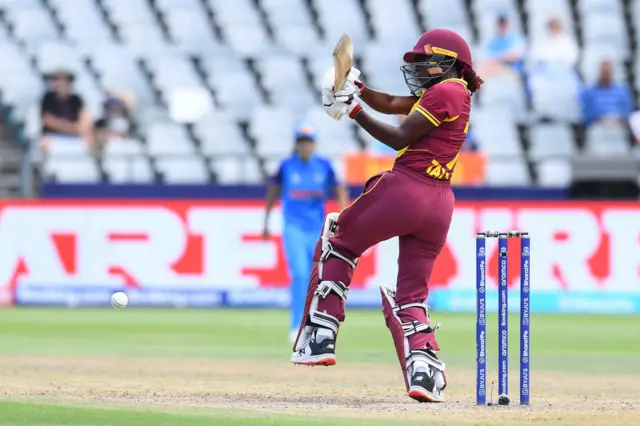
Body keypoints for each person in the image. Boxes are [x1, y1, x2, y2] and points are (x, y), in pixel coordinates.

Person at [289, 29, 483, 404]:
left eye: (426, 61)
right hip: (439, 204)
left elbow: (399, 138)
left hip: (407, 188)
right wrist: (356, 88)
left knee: (338, 239)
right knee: (412, 295)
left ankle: (321, 334)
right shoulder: (453, 93)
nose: (419, 67)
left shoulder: (447, 90)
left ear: (449, 61)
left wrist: (354, 109)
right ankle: (425, 374)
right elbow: (394, 102)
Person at [262, 124, 348, 343]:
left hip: (317, 229)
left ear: (314, 144)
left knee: (319, 278)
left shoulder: (324, 166)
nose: (305, 146)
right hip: (293, 228)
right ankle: (296, 325)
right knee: (300, 275)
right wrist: (266, 220)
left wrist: (344, 216)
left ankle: (317, 323)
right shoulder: (286, 166)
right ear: (296, 144)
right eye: (301, 142)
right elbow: (273, 190)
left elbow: (339, 189)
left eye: (308, 142)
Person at [39, 68, 93, 149]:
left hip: (75, 136)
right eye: (57, 80)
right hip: (53, 135)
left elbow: (84, 117)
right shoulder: (48, 98)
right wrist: (72, 128)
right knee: (43, 143)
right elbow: (48, 120)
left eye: (64, 80)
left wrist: (82, 128)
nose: (60, 83)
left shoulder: (76, 99)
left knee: (88, 140)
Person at [581, 60, 634, 127]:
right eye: (603, 72)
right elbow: (585, 114)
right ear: (599, 72)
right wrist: (599, 118)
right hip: (596, 126)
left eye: (607, 72)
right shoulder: (589, 92)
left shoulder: (623, 91)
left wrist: (617, 118)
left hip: (619, 126)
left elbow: (628, 112)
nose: (605, 74)